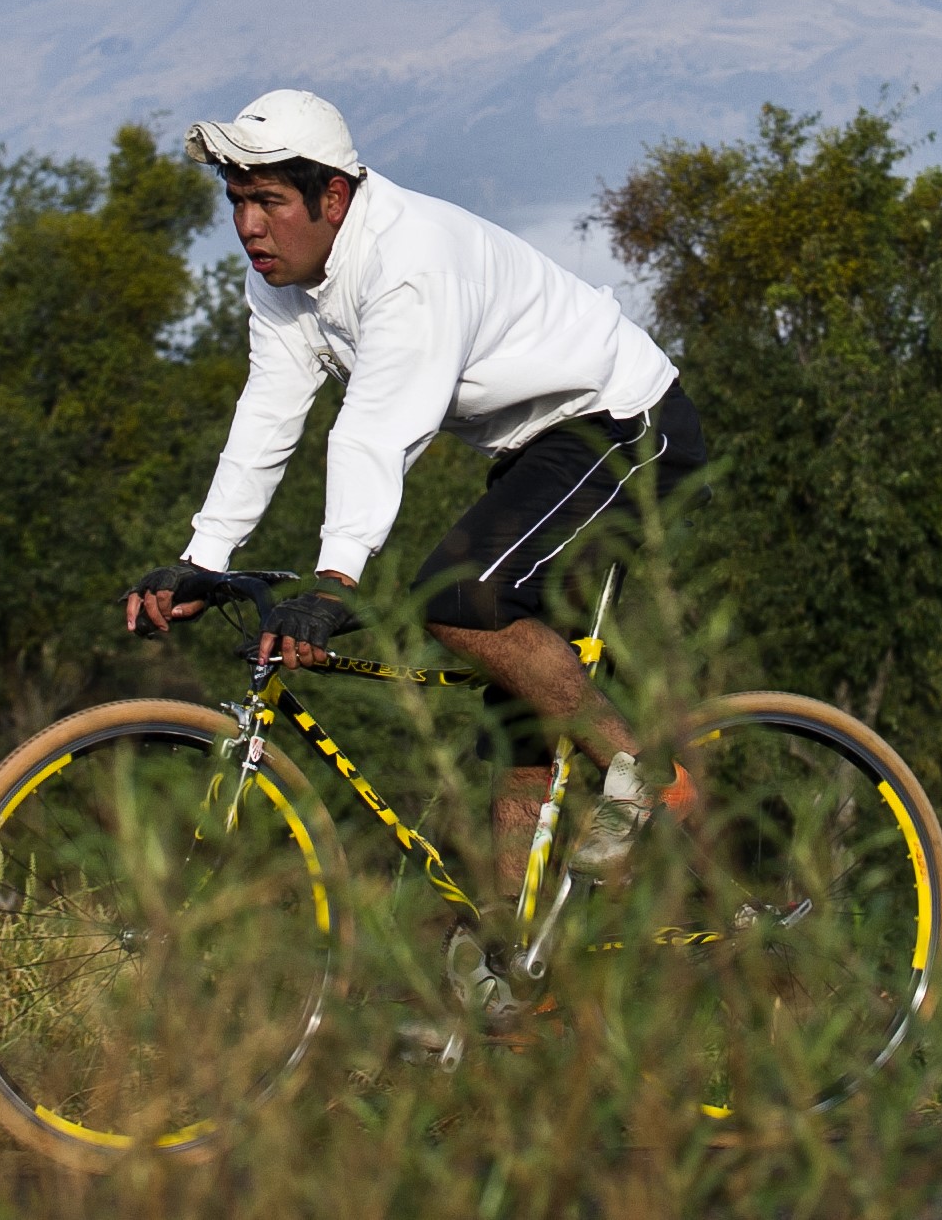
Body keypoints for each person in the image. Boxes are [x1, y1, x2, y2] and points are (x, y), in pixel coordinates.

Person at [122, 88, 707, 1026]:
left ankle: (647, 771)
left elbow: (375, 430)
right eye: (236, 201)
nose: (247, 226)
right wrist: (201, 554)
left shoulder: (407, 262)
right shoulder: (280, 281)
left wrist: (335, 580)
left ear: (335, 199)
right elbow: (268, 416)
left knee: (460, 595)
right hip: (533, 447)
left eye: (268, 201)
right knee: (515, 712)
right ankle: (521, 981)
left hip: (625, 422)